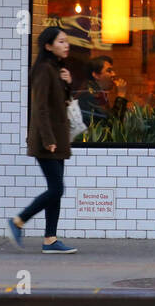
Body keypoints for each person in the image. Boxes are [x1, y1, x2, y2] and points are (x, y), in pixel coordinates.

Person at [7, 27, 78, 254]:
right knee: (57, 188)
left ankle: (50, 239)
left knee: (54, 189)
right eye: (61, 41)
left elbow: (62, 104)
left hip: (57, 138)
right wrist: (48, 139)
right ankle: (19, 220)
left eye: (67, 41)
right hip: (47, 140)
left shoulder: (56, 70)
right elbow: (40, 108)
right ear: (48, 46)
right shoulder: (43, 70)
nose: (66, 45)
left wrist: (68, 84)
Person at [72, 55, 127, 126]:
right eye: (109, 71)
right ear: (96, 75)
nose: (114, 74)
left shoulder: (99, 92)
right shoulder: (90, 95)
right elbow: (111, 124)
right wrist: (121, 96)